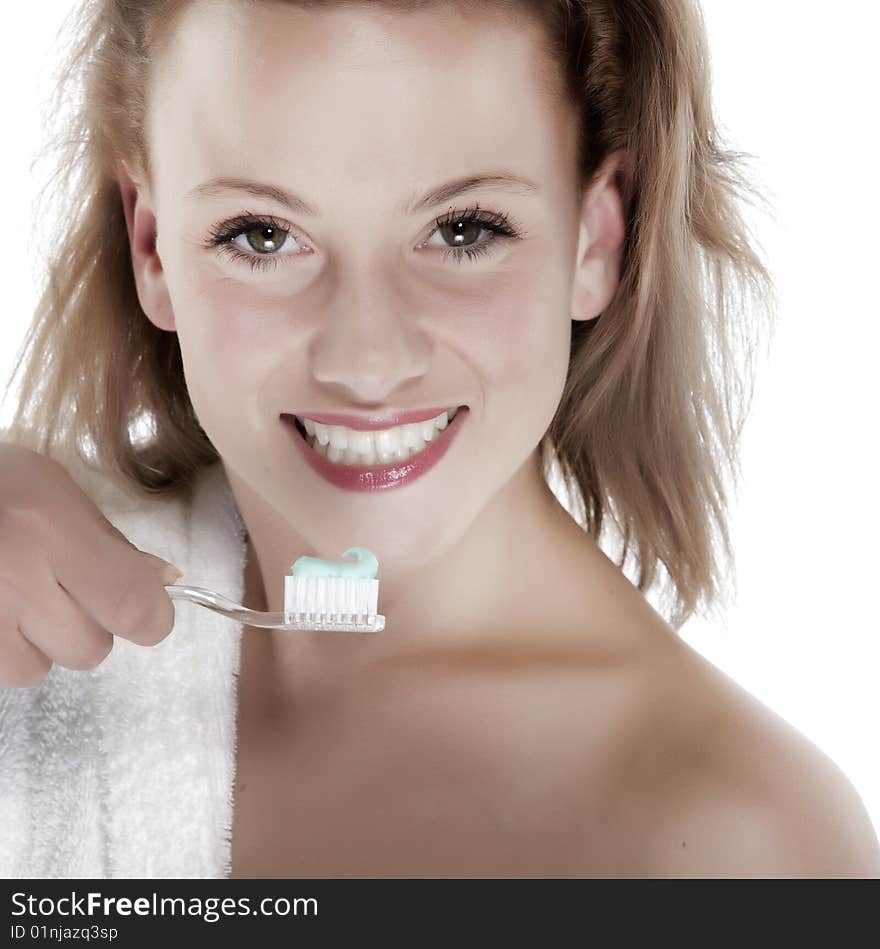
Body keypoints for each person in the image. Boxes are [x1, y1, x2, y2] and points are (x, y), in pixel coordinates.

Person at [1, 0, 878, 879]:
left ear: (594, 237)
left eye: (465, 230)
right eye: (263, 236)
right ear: (151, 248)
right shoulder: (35, 644)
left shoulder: (741, 849)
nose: (367, 360)